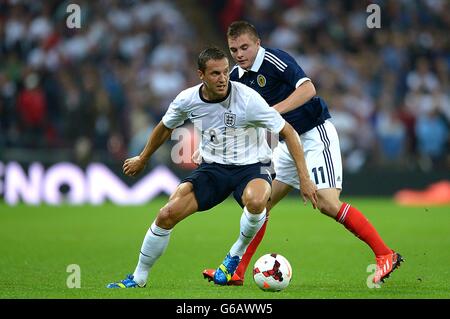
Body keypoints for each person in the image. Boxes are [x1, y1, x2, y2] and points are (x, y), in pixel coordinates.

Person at [202, 21, 403, 286]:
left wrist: (274, 111)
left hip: (314, 134)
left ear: (257, 43)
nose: (239, 54)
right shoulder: (237, 76)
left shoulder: (275, 60)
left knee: (328, 204)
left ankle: (385, 254)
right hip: (287, 143)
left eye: (244, 47)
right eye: (233, 50)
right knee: (260, 205)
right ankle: (237, 271)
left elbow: (308, 90)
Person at [106, 47, 318, 288]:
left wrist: (304, 177)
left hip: (252, 166)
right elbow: (165, 127)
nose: (222, 78)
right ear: (201, 75)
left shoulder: (248, 99)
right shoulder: (187, 99)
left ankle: (234, 255)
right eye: (215, 73)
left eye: (226, 72)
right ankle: (138, 278)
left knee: (257, 201)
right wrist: (142, 158)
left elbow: (288, 132)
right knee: (166, 214)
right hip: (214, 168)